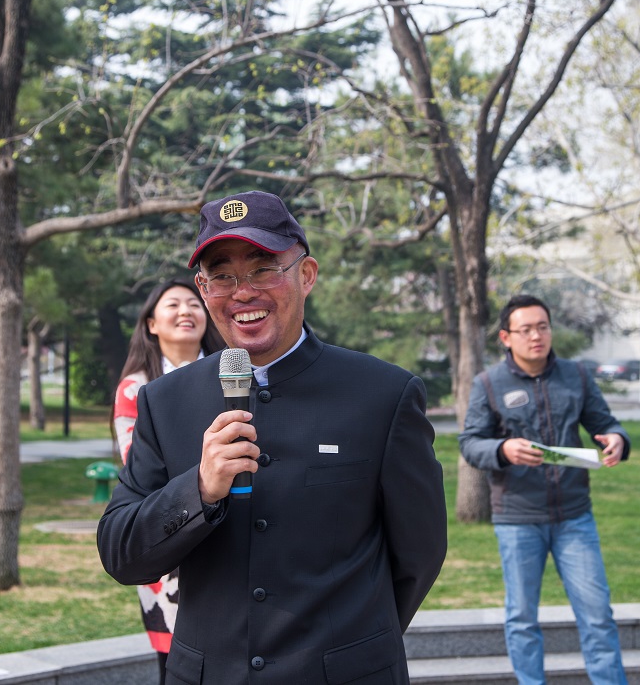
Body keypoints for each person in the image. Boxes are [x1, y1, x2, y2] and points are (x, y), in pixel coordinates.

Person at [98, 190, 447, 683]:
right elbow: (121, 552)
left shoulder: (383, 394)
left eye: (263, 269)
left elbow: (419, 553)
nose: (242, 292)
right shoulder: (164, 401)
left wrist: (356, 643)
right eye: (222, 276)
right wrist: (198, 489)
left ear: (307, 275)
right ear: (203, 289)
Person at [460, 294, 629, 685]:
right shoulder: (488, 383)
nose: (536, 336)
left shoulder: (576, 375)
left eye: (542, 327)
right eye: (526, 330)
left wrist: (617, 438)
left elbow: (606, 423)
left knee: (597, 615)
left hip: (574, 516)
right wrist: (502, 450)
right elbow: (470, 443)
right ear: (506, 337)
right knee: (522, 618)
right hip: (517, 518)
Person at [111, 278, 225, 684]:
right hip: (169, 531)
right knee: (179, 664)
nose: (185, 311)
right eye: (172, 305)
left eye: (193, 304)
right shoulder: (137, 388)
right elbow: (143, 468)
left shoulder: (234, 374)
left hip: (230, 533)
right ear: (151, 324)